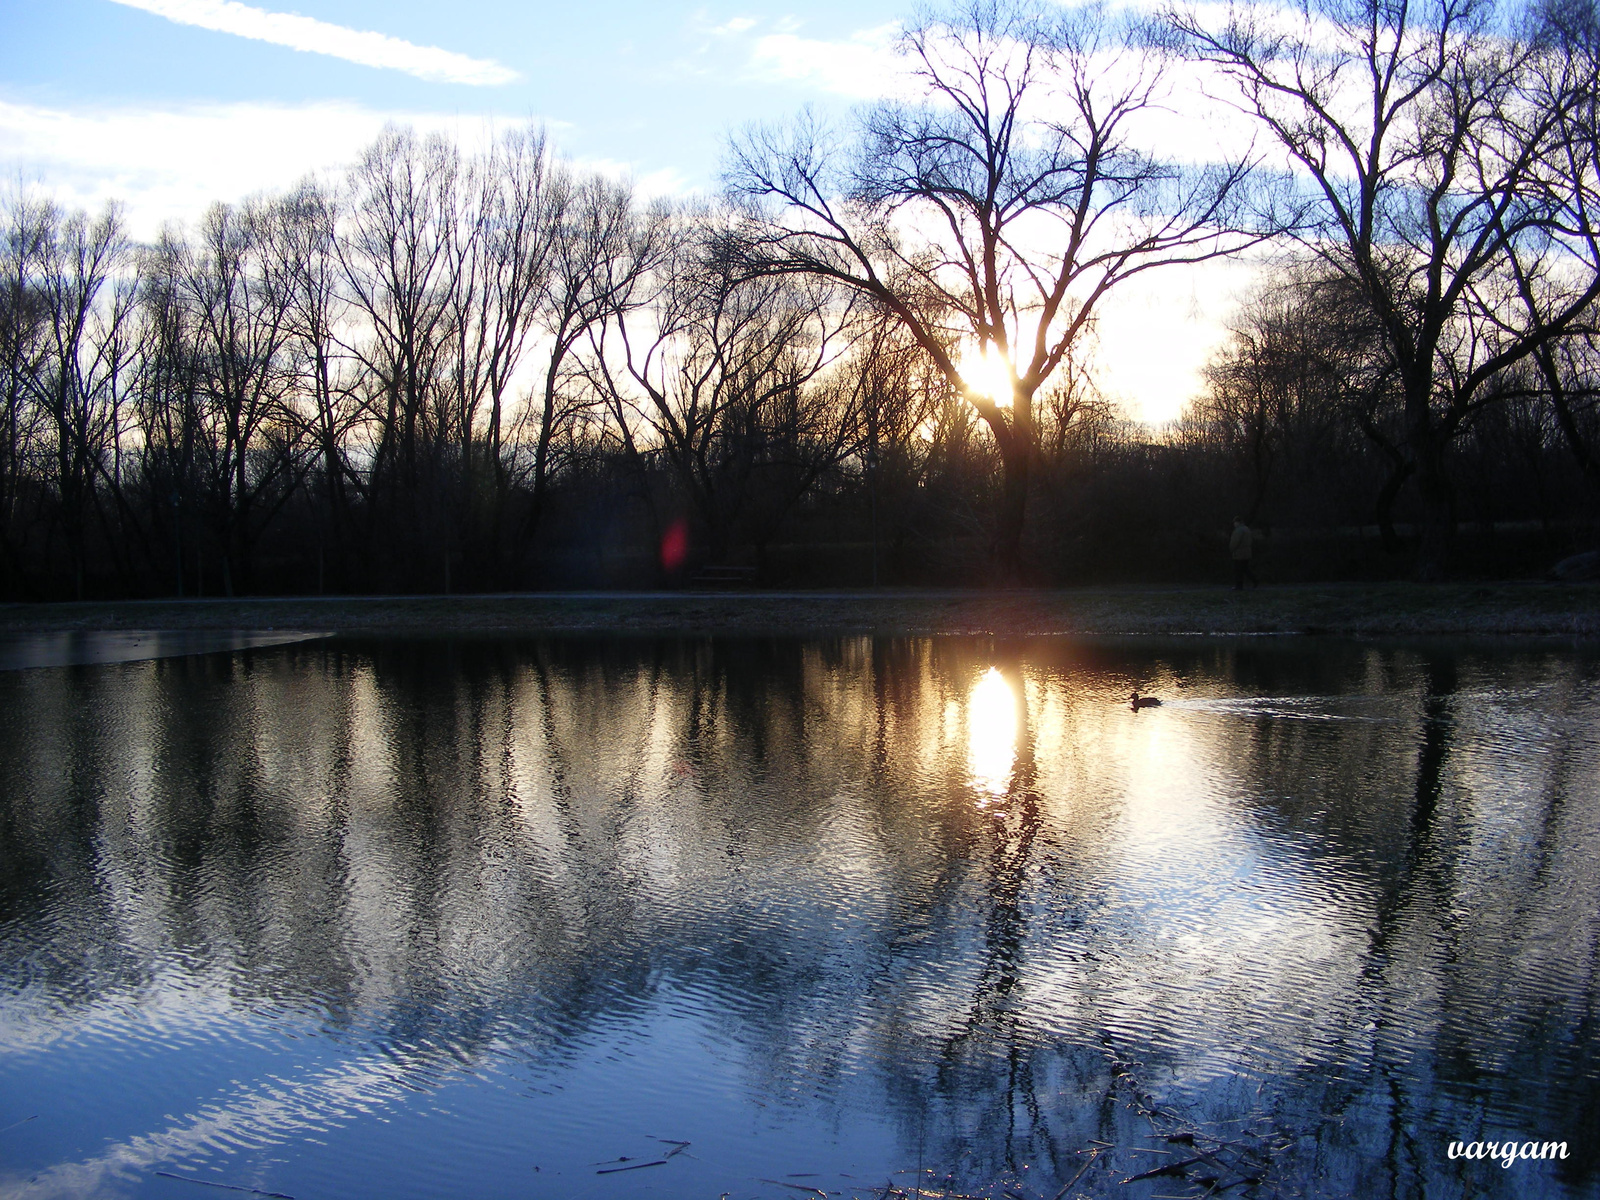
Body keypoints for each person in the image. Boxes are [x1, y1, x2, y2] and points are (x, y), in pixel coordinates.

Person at [1230, 517, 1257, 590]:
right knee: (1245, 569)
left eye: (1234, 522)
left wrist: (1231, 549)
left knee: (1238, 570)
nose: (1234, 524)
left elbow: (1235, 542)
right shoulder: (1247, 529)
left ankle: (1239, 586)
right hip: (1247, 552)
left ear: (1237, 522)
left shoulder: (1238, 530)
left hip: (1239, 552)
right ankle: (1255, 581)